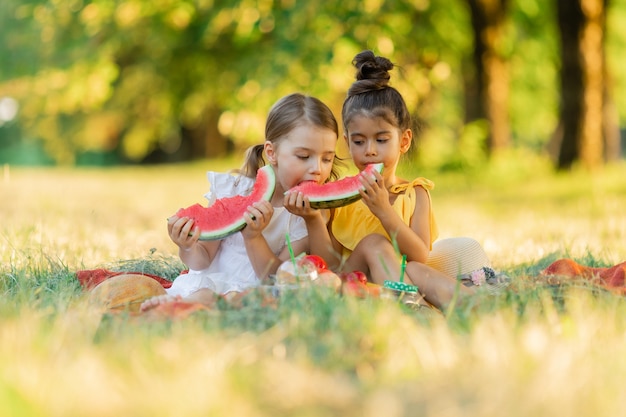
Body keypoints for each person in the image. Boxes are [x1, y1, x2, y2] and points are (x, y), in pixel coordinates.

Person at [289, 51, 490, 310]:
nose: (370, 150)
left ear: (403, 141)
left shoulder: (416, 193)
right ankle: (408, 308)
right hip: (356, 283)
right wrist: (313, 219)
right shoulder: (337, 199)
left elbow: (419, 255)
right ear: (348, 143)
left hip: (404, 278)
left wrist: (385, 211)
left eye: (381, 140)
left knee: (417, 269)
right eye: (359, 141)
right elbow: (332, 266)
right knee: (375, 243)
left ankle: (471, 304)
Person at [140, 93, 341, 311]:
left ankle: (183, 305)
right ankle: (183, 302)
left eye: (327, 158)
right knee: (207, 293)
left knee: (234, 297)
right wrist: (186, 246)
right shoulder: (233, 189)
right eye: (303, 156)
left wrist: (254, 237)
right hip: (211, 282)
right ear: (272, 153)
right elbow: (202, 260)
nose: (317, 169)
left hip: (256, 292)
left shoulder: (308, 214)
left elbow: (273, 277)